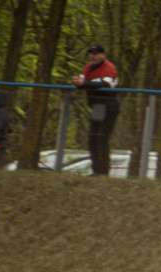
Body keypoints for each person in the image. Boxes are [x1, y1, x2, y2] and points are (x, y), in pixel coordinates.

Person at [71, 44, 120, 176]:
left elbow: (105, 84)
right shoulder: (88, 67)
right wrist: (77, 82)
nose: (93, 56)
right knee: (93, 137)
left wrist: (84, 83)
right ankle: (96, 170)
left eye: (96, 53)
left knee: (102, 137)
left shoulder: (109, 67)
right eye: (91, 53)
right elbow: (82, 82)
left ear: (103, 55)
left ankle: (103, 171)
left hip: (109, 105)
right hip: (97, 107)